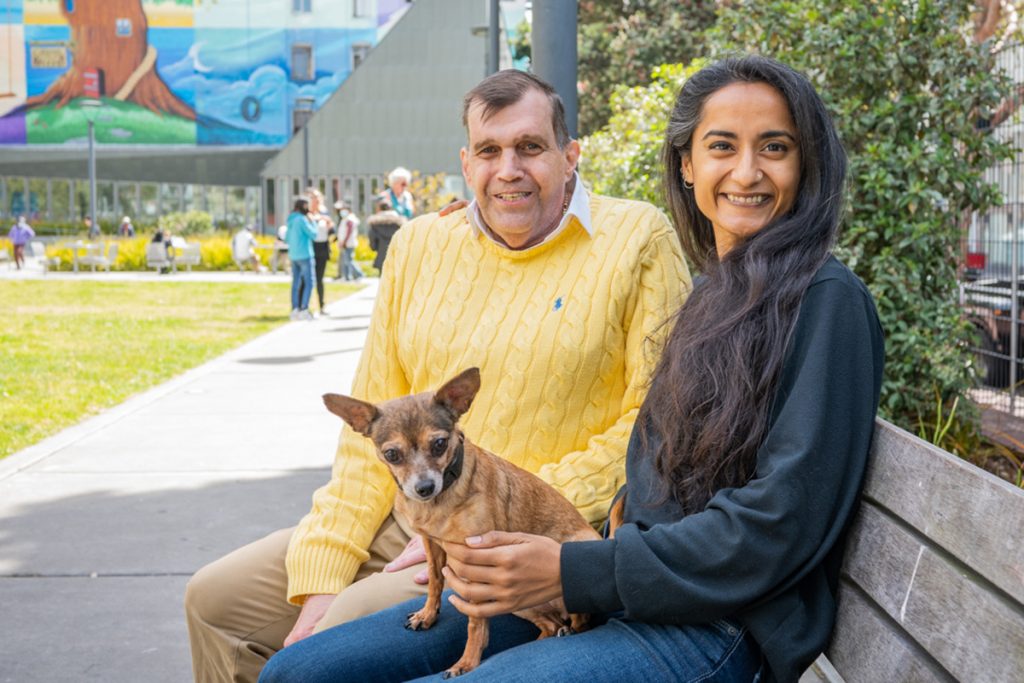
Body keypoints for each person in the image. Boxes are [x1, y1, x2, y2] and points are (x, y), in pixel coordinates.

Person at [258, 56, 885, 683]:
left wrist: (574, 568)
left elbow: (780, 521)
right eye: (722, 146)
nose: (746, 171)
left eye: (774, 147)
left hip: (714, 628)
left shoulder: (826, 301)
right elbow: (656, 465)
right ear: (689, 166)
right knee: (298, 673)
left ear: (806, 164)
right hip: (627, 593)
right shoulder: (714, 296)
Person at [184, 69, 689, 683]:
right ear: (466, 161)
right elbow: (367, 430)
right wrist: (325, 563)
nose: (508, 169)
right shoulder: (421, 243)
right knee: (213, 602)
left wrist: (477, 524)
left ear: (569, 154)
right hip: (408, 510)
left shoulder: (637, 238)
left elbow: (655, 420)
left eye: (530, 147)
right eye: (489, 151)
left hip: (508, 533)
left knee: (331, 642)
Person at [286, 195, 316, 320]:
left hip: (293, 255)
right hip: (305, 254)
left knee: (296, 283)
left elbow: (287, 238)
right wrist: (312, 221)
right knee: (309, 282)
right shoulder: (302, 220)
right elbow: (314, 234)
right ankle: (304, 308)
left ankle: (295, 309)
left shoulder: (291, 220)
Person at [306, 188, 335, 314]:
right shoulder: (305, 214)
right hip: (310, 248)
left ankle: (321, 305)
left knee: (319, 279)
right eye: (312, 197)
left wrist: (329, 224)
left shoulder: (324, 213)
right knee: (307, 279)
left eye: (317, 197)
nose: (316, 200)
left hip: (322, 248)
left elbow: (331, 231)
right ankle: (304, 307)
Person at [366, 198, 403, 272]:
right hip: (396, 255)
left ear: (379, 209)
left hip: (381, 254)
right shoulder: (400, 223)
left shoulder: (375, 223)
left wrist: (375, 248)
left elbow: (372, 239)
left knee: (383, 278)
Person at [334, 201, 363, 281]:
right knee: (346, 261)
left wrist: (344, 242)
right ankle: (347, 277)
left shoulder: (350, 219)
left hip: (348, 243)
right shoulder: (346, 218)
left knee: (349, 260)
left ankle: (359, 274)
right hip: (345, 243)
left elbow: (349, 231)